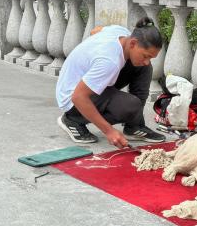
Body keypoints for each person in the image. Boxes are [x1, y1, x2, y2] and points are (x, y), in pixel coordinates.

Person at [56, 17, 166, 148]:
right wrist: (109, 131)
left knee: (144, 67)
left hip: (86, 82)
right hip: (72, 98)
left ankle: (134, 126)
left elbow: (95, 31)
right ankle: (72, 120)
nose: (147, 60)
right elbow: (78, 97)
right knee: (130, 105)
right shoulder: (109, 61)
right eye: (145, 55)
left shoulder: (121, 33)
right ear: (133, 43)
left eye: (151, 57)